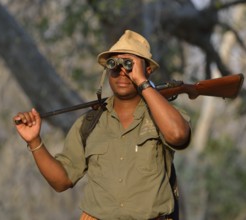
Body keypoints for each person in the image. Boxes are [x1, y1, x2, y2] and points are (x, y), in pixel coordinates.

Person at [13, 30, 191, 220]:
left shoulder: (160, 115)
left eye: (130, 65)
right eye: (114, 65)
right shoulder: (89, 123)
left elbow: (178, 135)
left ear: (147, 70)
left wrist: (141, 82)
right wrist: (34, 141)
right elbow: (61, 181)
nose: (122, 71)